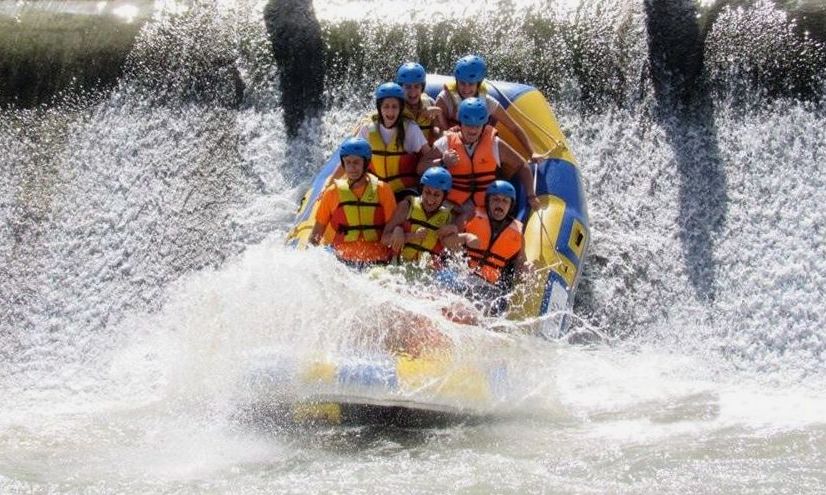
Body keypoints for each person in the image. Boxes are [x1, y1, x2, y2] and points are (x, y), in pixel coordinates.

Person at [418, 97, 540, 217]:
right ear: (460, 123)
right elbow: (420, 168)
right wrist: (442, 162)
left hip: (486, 207)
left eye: (477, 125)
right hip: (454, 206)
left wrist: (531, 195)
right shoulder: (446, 142)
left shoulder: (494, 143)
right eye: (468, 125)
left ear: (483, 125)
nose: (473, 130)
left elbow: (521, 165)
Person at [442, 180, 530, 318]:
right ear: (488, 201)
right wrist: (465, 237)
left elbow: (520, 263)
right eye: (495, 200)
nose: (499, 205)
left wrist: (526, 270)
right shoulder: (471, 215)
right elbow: (446, 242)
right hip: (462, 277)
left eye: (505, 201)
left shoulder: (517, 232)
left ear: (510, 205)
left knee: (471, 315)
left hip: (489, 289)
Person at [434, 55, 543, 162]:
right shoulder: (444, 99)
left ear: (478, 83)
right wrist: (444, 134)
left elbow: (514, 127)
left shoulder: (488, 102)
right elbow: (435, 129)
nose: (466, 89)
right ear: (457, 81)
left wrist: (532, 152)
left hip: (480, 151)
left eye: (471, 84)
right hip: (453, 151)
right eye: (462, 83)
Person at [310, 137, 397, 266]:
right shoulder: (332, 192)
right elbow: (316, 234)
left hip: (377, 262)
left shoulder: (383, 190)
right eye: (348, 162)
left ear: (366, 163)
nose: (351, 168)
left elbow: (393, 229)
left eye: (356, 162)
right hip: (342, 263)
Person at [356, 82, 432, 198]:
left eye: (394, 107)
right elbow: (352, 156)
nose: (390, 112)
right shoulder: (368, 129)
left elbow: (429, 155)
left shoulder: (411, 129)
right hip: (376, 188)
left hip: (405, 190)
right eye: (386, 106)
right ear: (379, 108)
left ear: (401, 108)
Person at [381, 166, 460, 263]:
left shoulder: (448, 217)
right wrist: (410, 235)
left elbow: (454, 252)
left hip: (429, 273)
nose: (430, 199)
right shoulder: (406, 206)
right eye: (427, 192)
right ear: (421, 189)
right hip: (400, 268)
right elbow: (384, 239)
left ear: (444, 197)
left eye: (436, 195)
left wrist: (455, 231)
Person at [395, 62, 441, 145]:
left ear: (422, 88)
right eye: (408, 87)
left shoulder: (430, 103)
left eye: (417, 86)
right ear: (400, 88)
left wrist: (438, 114)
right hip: (403, 155)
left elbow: (436, 130)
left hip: (425, 154)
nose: (413, 92)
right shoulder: (394, 106)